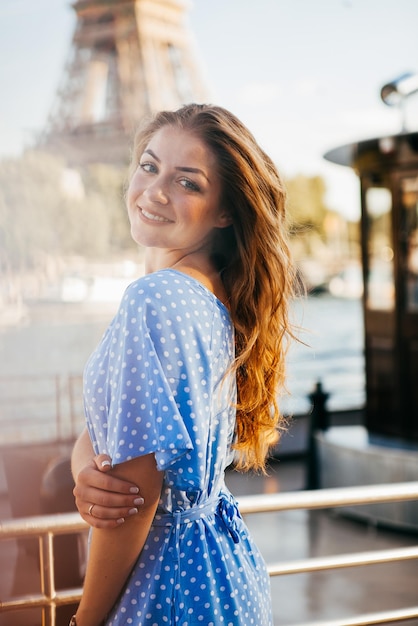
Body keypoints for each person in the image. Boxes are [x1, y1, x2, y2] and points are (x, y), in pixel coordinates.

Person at [70, 103, 297, 626]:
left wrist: (83, 620)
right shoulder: (210, 296)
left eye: (187, 183)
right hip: (219, 574)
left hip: (164, 586)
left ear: (224, 211)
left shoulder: (155, 299)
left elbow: (137, 493)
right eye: (149, 167)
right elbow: (121, 442)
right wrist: (86, 467)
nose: (154, 191)